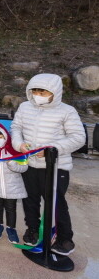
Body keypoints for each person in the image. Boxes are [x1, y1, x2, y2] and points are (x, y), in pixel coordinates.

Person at [11, 73, 85, 255]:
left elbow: (78, 138)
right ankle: (33, 230)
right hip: (29, 165)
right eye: (35, 91)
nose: (38, 95)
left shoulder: (67, 111)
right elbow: (16, 128)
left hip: (56, 167)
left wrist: (53, 150)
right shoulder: (24, 107)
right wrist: (18, 144)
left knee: (57, 204)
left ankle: (64, 239)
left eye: (43, 92)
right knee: (30, 201)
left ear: (55, 92)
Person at [0, 118, 27, 244]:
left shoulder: (15, 150)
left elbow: (24, 167)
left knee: (11, 208)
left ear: (5, 134)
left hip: (12, 187)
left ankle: (11, 229)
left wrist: (13, 164)